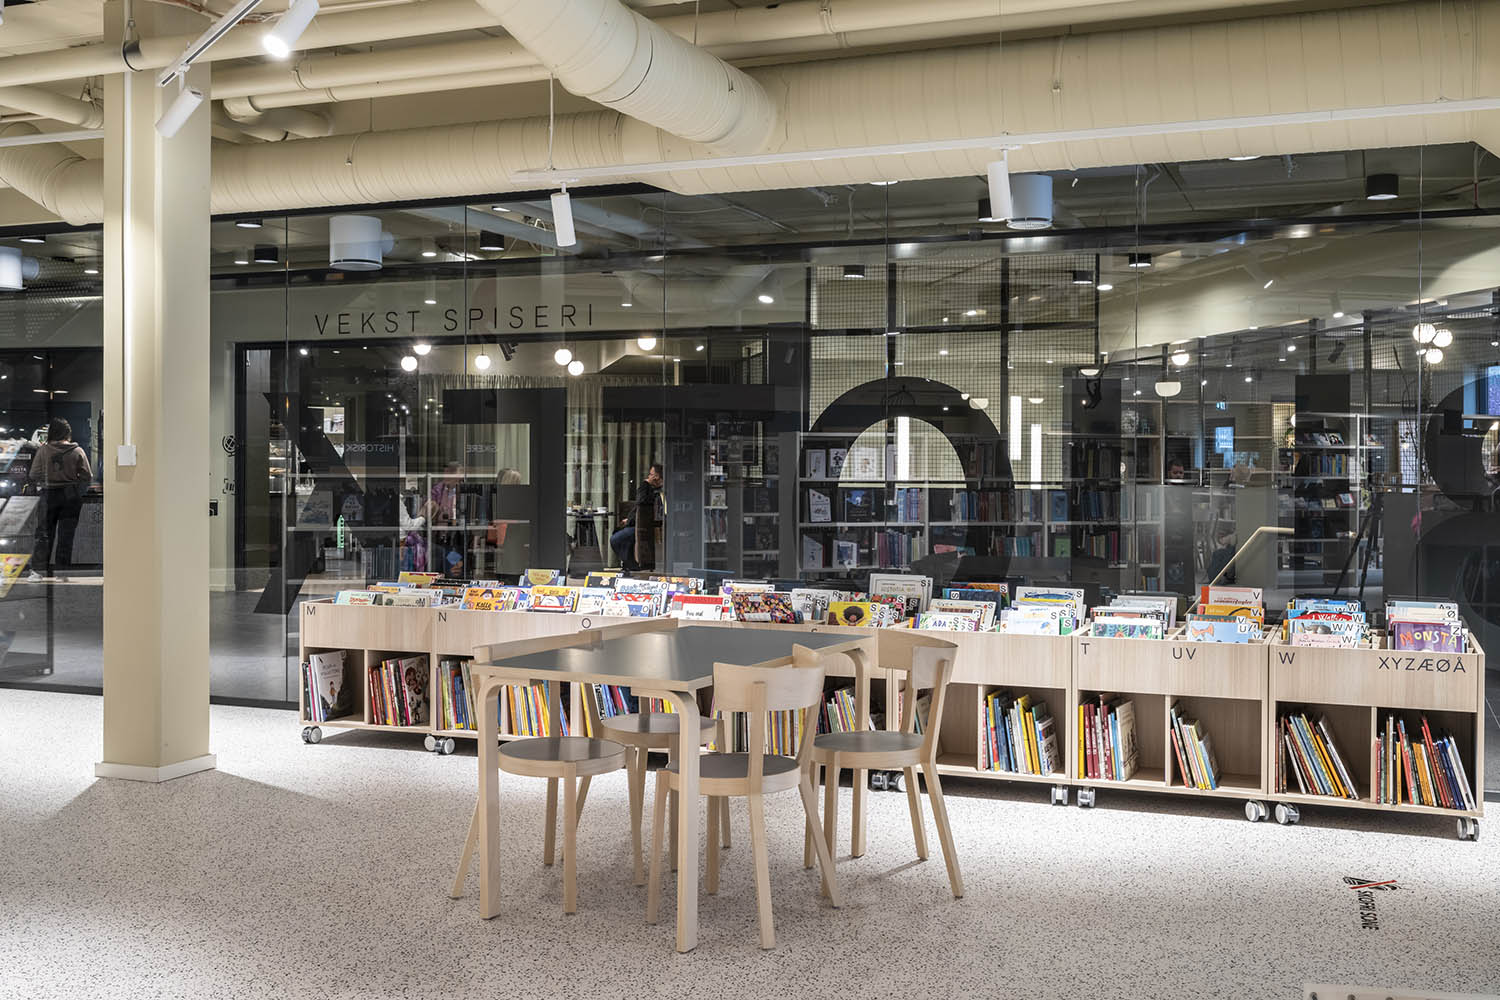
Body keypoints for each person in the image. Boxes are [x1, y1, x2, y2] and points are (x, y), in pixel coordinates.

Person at [28, 418, 92, 581]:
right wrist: (73, 481)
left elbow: (34, 474)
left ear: (51, 433)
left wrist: (48, 478)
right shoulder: (77, 451)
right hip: (70, 495)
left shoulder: (43, 450)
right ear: (67, 433)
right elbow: (87, 475)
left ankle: (38, 571)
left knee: (44, 534)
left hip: (49, 494)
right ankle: (62, 572)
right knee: (66, 535)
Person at [610, 461, 663, 573]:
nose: (648, 477)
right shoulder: (651, 490)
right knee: (619, 534)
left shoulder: (653, 490)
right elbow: (639, 508)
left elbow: (641, 503)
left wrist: (645, 483)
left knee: (616, 539)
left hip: (643, 526)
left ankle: (631, 564)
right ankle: (630, 564)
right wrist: (628, 519)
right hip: (637, 523)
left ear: (657, 476)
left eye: (651, 474)